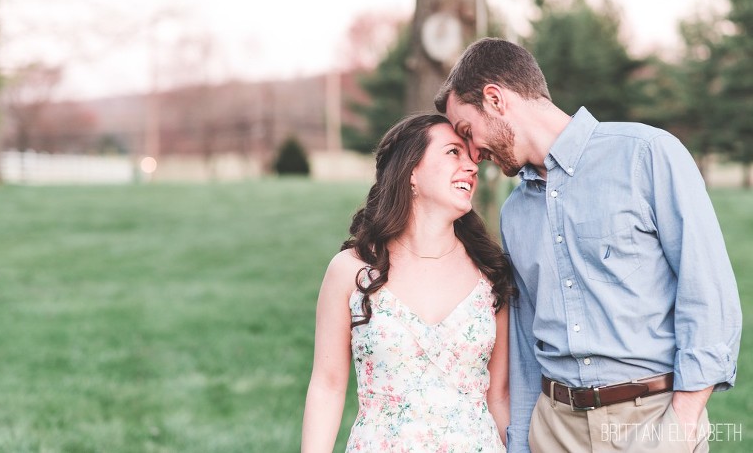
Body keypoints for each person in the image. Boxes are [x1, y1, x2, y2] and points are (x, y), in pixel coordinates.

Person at [434, 37, 742, 453]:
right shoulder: (515, 213)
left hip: (651, 423)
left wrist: (682, 425)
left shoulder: (646, 156)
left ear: (495, 99)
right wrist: (523, 443)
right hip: (554, 428)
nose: (473, 152)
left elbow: (709, 294)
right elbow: (525, 344)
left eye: (468, 132)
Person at [301, 113, 515, 452]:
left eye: (472, 157)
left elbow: (499, 396)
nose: (472, 166)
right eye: (453, 153)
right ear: (411, 171)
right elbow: (327, 386)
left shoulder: (491, 272)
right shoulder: (351, 271)